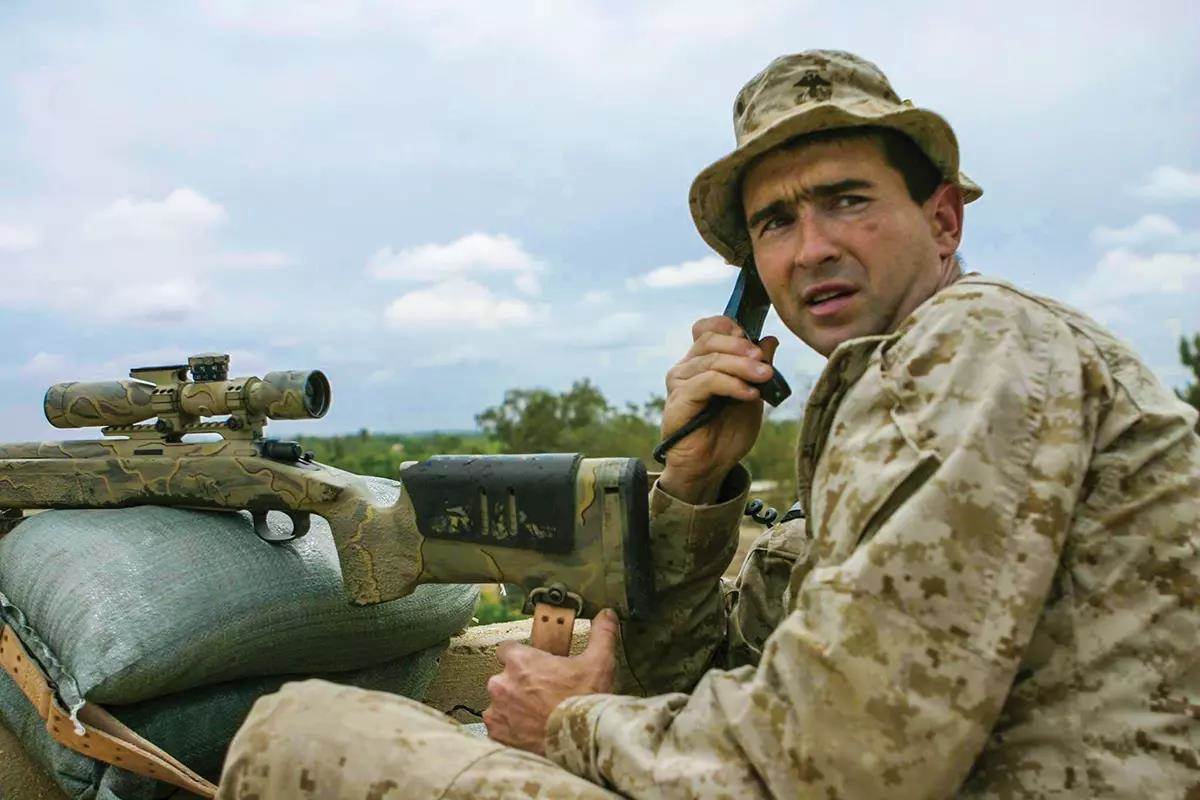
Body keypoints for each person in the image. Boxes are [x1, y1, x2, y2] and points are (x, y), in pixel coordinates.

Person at [217, 50, 1200, 799]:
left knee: (294, 728)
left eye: (847, 200)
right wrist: (695, 487)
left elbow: (842, 754)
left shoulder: (972, 345)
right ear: (752, 275)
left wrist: (576, 721)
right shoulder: (895, 388)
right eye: (775, 221)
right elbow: (699, 672)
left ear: (942, 220)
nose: (812, 247)